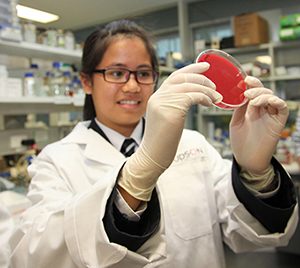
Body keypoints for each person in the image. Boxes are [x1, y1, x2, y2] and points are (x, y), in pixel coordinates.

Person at [10, 19, 298, 268]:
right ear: (86, 82)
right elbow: (34, 256)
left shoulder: (193, 145)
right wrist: (136, 177)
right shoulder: (57, 160)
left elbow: (247, 235)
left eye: (144, 73)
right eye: (117, 73)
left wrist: (255, 173)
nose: (133, 86)